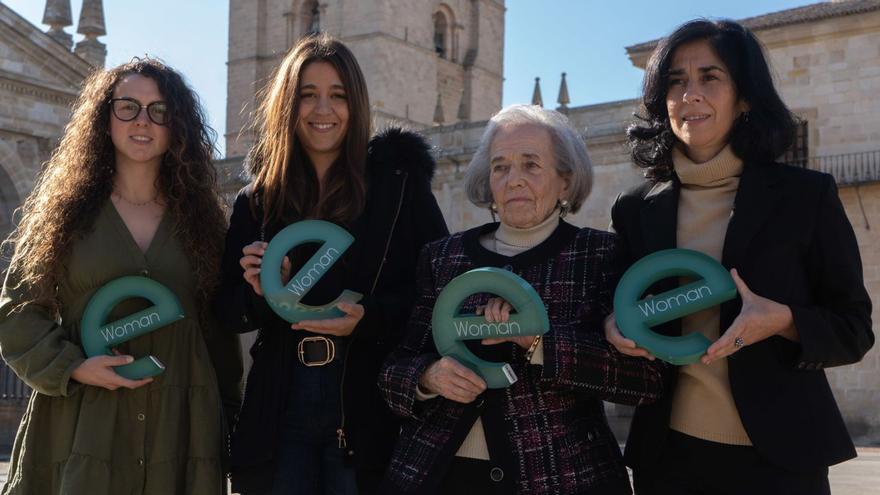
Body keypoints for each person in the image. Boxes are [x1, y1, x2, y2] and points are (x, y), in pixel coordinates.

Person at [605, 19, 874, 495]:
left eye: (710, 77)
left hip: (781, 458)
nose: (690, 94)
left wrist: (784, 320)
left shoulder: (804, 197)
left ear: (745, 97)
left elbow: (853, 330)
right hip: (667, 458)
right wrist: (612, 327)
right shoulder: (634, 210)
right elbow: (612, 306)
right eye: (675, 81)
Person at [378, 104, 666, 495]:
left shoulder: (599, 255)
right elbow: (394, 369)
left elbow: (643, 380)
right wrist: (427, 378)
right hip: (438, 475)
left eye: (531, 165)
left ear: (565, 181)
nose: (514, 180)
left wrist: (536, 343)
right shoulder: (442, 257)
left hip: (559, 479)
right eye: (500, 167)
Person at [214, 34, 448, 495]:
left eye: (337, 95)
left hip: (367, 408)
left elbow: (439, 287)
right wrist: (258, 290)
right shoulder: (256, 200)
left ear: (355, 103)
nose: (324, 110)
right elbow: (226, 311)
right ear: (288, 104)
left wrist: (370, 319)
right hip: (280, 410)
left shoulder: (399, 187)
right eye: (308, 96)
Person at [0, 58, 242, 494]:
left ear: (177, 125)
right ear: (104, 117)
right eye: (127, 107)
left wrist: (231, 416)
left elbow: (219, 329)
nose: (143, 121)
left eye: (159, 110)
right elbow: (17, 313)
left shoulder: (206, 225)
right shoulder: (60, 217)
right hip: (81, 425)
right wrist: (73, 367)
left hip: (183, 428)